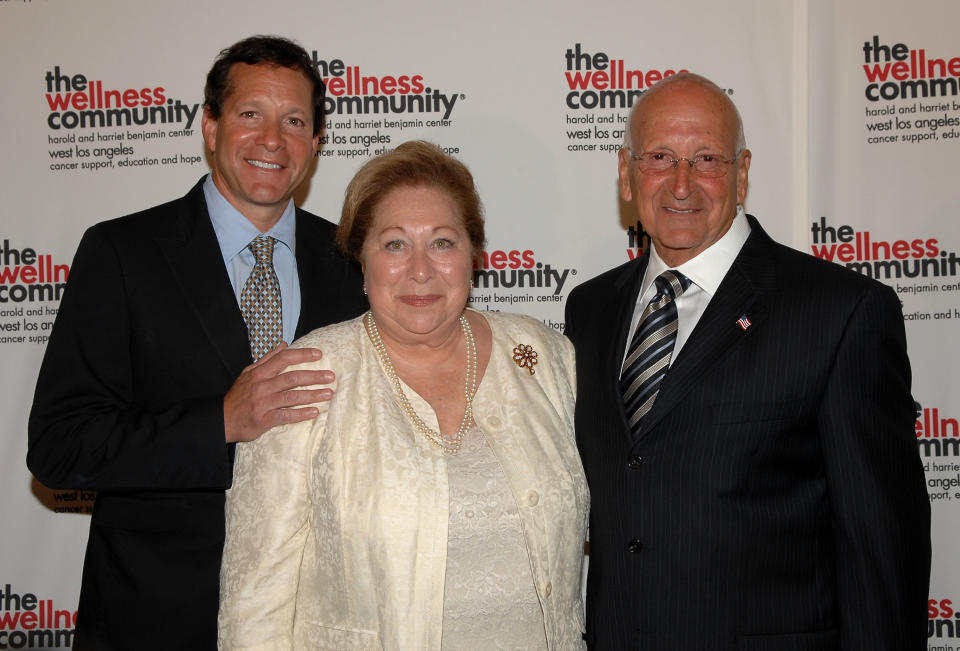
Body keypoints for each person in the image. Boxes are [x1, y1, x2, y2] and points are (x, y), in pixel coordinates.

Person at [564, 72, 930, 650]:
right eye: (660, 157)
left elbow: (881, 546)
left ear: (742, 173)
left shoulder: (840, 312)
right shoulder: (591, 309)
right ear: (627, 173)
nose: (681, 184)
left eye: (706, 158)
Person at [27, 36, 367, 650]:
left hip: (317, 615)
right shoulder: (122, 253)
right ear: (209, 126)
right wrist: (220, 422)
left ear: (317, 142)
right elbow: (59, 446)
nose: (272, 139)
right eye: (249, 115)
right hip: (159, 616)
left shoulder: (354, 262)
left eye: (294, 120)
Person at [217, 140, 589, 650]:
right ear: (361, 259)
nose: (420, 269)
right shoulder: (303, 375)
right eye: (394, 244)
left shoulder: (545, 356)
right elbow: (255, 599)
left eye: (442, 242)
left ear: (473, 254)